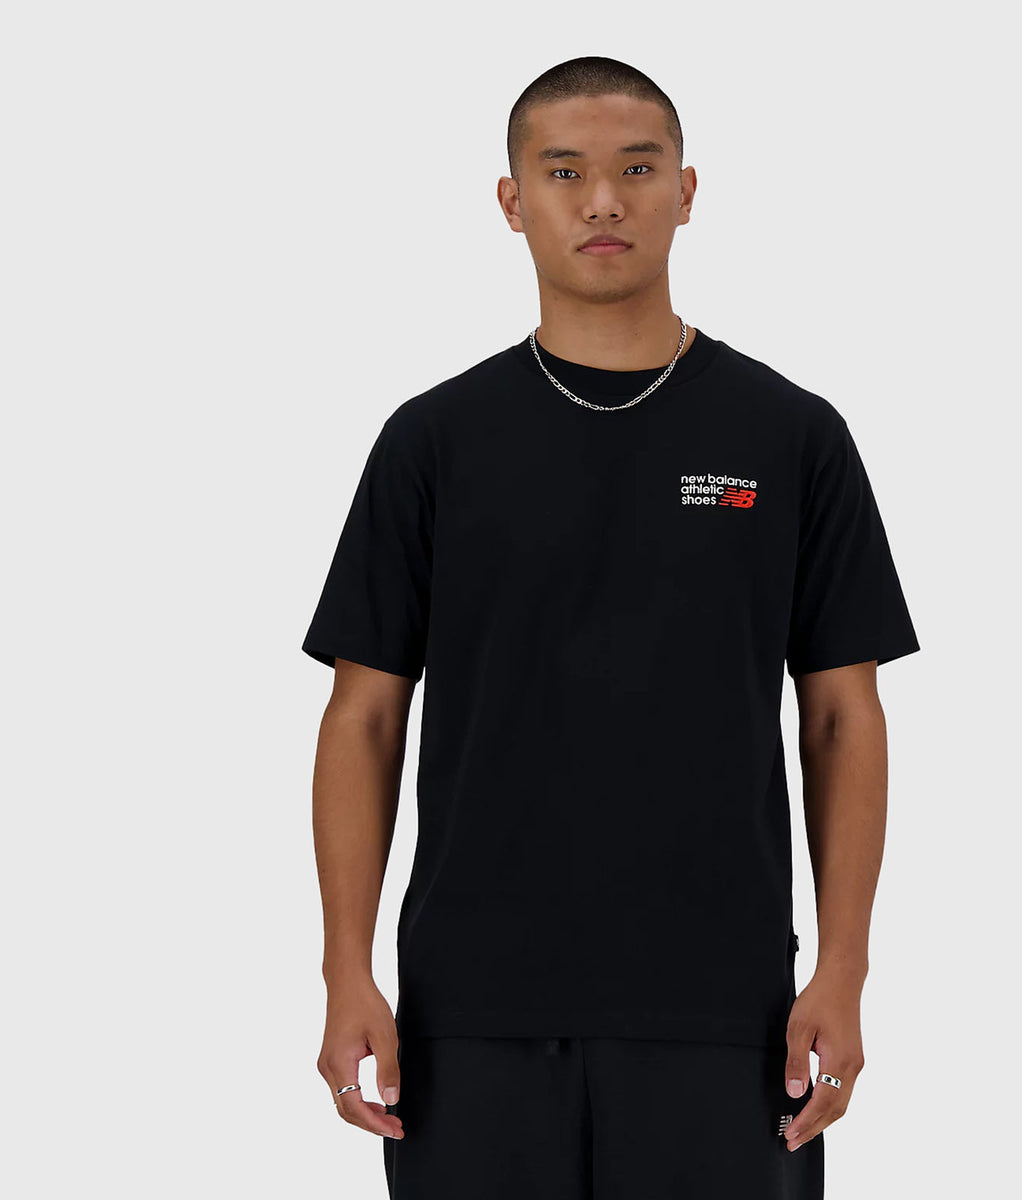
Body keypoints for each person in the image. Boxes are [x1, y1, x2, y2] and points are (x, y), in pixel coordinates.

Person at [302, 55, 919, 1199]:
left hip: (728, 1012)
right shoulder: (434, 441)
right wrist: (347, 971)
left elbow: (843, 715)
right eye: (564, 173)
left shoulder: (790, 435)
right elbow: (364, 717)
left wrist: (844, 968)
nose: (601, 202)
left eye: (637, 170)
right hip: (470, 1011)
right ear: (511, 200)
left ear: (686, 191)